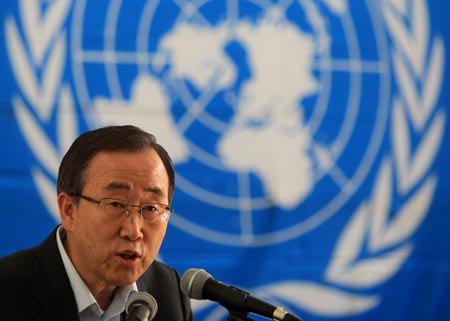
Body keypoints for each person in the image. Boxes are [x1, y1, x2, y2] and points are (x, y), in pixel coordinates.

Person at [0, 125, 193, 321]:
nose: (134, 231)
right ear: (69, 211)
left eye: (151, 208)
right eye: (116, 204)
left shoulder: (169, 291)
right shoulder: (7, 292)